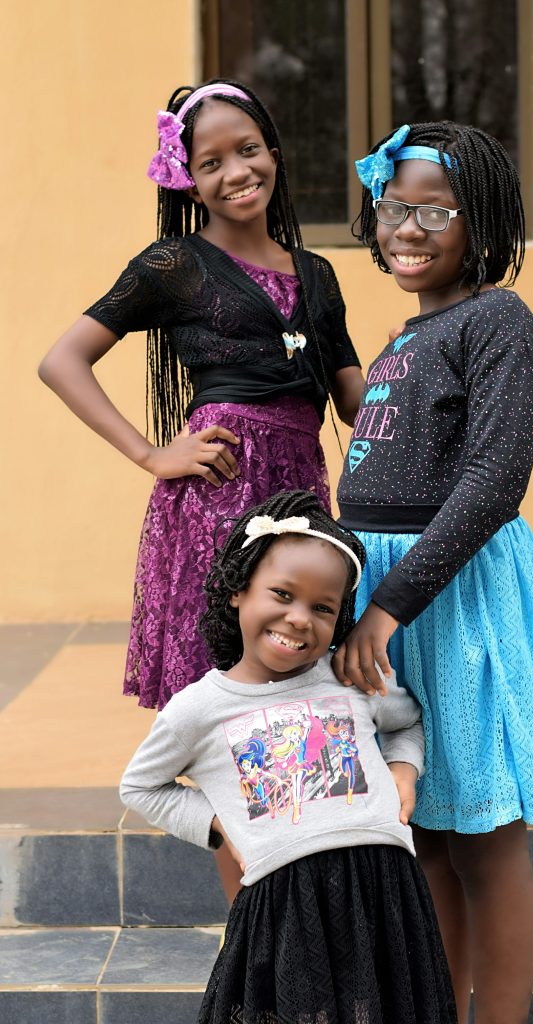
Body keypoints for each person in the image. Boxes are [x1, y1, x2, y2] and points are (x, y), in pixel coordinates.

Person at [333, 122, 533, 1024]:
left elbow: (491, 484)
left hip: (457, 598)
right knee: (425, 840)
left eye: (431, 211)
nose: (406, 226)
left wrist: (387, 608)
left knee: (483, 842)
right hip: (389, 604)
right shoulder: (407, 334)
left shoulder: (502, 324)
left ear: (479, 224)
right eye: (393, 205)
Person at [38, 79, 363, 714]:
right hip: (221, 484)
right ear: (186, 177)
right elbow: (62, 362)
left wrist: (410, 362)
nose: (236, 173)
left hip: (300, 484)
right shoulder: (173, 265)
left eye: (247, 150)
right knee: (220, 666)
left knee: (293, 659)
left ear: (272, 151)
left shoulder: (317, 272)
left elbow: (354, 400)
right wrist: (150, 453)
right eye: (210, 163)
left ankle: (281, 812)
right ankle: (213, 814)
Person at [119, 490, 457, 1024]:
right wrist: (216, 826)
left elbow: (407, 722)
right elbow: (140, 787)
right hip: (285, 899)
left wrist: (402, 768)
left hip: (385, 887)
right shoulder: (198, 709)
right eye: (282, 594)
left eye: (323, 608)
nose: (300, 618)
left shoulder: (349, 674)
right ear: (238, 591)